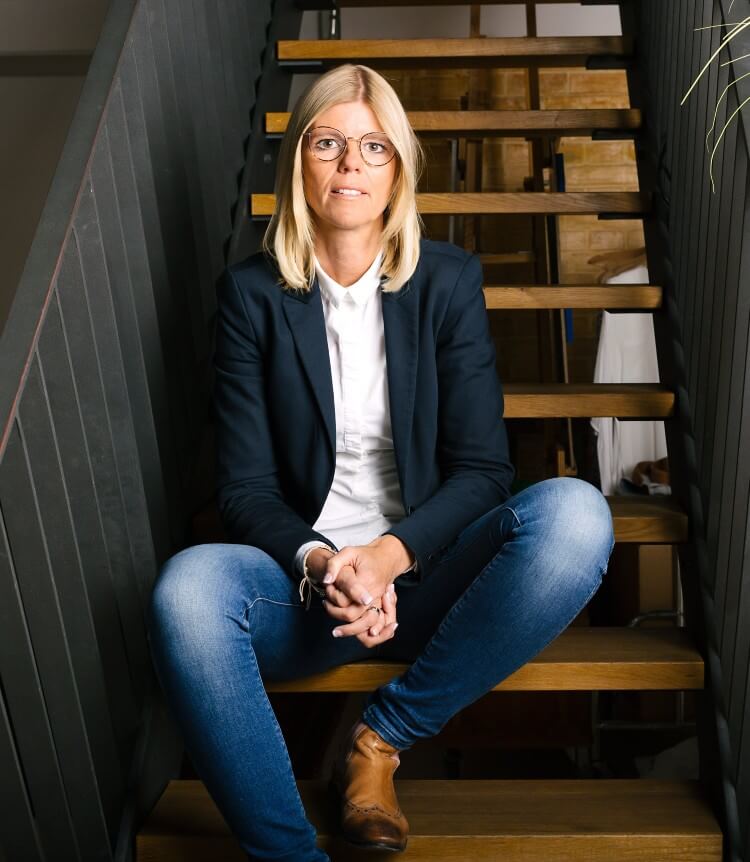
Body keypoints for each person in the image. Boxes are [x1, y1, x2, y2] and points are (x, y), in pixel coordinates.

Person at [147, 63, 616, 862]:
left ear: (398, 168)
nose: (350, 164)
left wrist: (390, 557)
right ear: (300, 161)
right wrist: (328, 562)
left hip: (429, 580)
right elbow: (247, 488)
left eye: (373, 146)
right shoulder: (252, 297)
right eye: (328, 142)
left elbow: (482, 470)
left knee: (577, 516)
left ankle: (381, 737)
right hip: (306, 592)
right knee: (186, 589)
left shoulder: (446, 281)